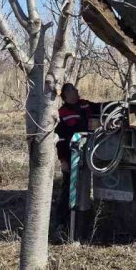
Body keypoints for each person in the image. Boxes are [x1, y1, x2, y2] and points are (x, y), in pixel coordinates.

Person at [54, 82, 97, 230]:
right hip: (72, 155)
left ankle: (83, 218)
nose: (77, 90)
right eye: (73, 89)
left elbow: (100, 107)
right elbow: (60, 140)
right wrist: (63, 160)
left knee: (84, 186)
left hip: (88, 152)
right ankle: (62, 221)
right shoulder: (62, 113)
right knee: (69, 188)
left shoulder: (85, 105)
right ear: (66, 95)